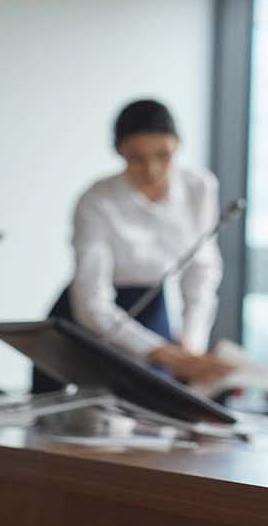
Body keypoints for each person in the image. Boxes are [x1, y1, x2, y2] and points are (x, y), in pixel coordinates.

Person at [33, 99, 234, 392]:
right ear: (119, 152)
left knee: (158, 406)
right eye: (137, 158)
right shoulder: (97, 200)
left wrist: (190, 346)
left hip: (152, 306)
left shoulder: (200, 188)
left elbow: (202, 272)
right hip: (90, 318)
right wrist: (162, 352)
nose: (151, 169)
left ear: (177, 146)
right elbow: (91, 302)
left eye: (163, 155)